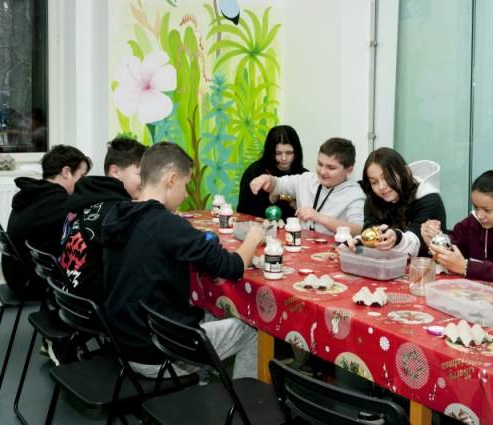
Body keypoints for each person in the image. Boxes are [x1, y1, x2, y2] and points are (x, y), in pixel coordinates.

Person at [101, 141, 265, 379]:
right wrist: (254, 237)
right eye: (186, 185)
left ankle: (200, 384)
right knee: (253, 331)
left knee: (211, 310)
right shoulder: (166, 224)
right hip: (158, 352)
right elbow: (233, 267)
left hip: (123, 341)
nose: (186, 194)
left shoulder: (117, 214)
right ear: (171, 179)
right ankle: (251, 407)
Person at [59, 137, 147, 303]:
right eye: (140, 174)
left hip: (68, 296)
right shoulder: (114, 213)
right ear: (115, 171)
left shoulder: (88, 197)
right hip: (90, 308)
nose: (145, 181)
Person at [5, 145, 91, 298]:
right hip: (31, 282)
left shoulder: (34, 194)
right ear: (66, 172)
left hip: (16, 275)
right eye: (82, 176)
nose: (84, 183)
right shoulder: (56, 203)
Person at [249, 137, 365, 236]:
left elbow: (358, 230)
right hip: (300, 247)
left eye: (331, 168)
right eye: (320, 164)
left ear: (349, 170)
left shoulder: (355, 194)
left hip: (333, 254)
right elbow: (278, 184)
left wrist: (318, 217)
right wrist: (267, 179)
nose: (322, 172)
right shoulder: (306, 179)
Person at [355, 147, 446, 258]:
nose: (381, 187)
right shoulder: (373, 198)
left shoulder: (429, 200)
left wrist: (396, 238)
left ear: (404, 172)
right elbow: (369, 231)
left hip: (426, 267)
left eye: (387, 177)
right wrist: (357, 243)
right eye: (374, 182)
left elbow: (415, 245)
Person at [237, 125, 307, 220]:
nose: (284, 158)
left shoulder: (304, 176)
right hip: (259, 231)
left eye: (289, 153)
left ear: (297, 152)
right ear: (270, 153)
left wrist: (293, 203)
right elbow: (243, 211)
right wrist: (270, 199)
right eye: (278, 153)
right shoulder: (254, 172)